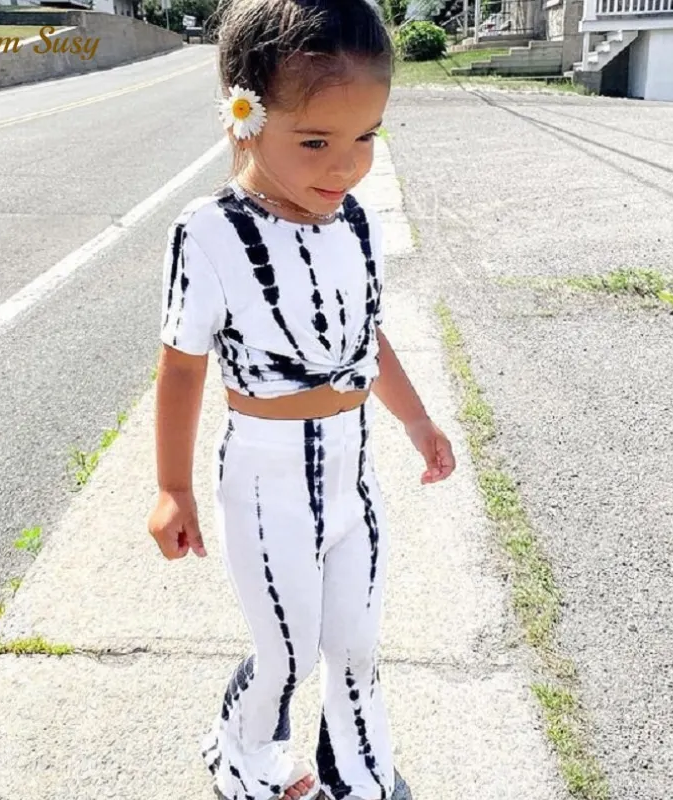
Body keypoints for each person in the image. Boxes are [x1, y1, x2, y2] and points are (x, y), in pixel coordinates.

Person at [147, 1, 456, 798]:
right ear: (243, 118)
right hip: (264, 481)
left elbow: (368, 339)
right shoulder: (209, 231)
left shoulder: (357, 223)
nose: (345, 166)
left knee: (355, 645)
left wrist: (417, 420)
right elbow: (180, 368)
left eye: (366, 137)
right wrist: (173, 487)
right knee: (286, 652)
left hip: (355, 473)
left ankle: (358, 772)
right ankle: (244, 757)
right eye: (316, 141)